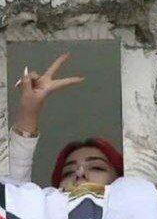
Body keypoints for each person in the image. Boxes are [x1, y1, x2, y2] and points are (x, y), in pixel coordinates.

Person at [8, 53, 124, 191]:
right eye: (68, 173)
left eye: (96, 168)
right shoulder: (47, 204)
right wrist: (28, 111)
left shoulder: (136, 202)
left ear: (120, 180)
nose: (79, 174)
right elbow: (13, 192)